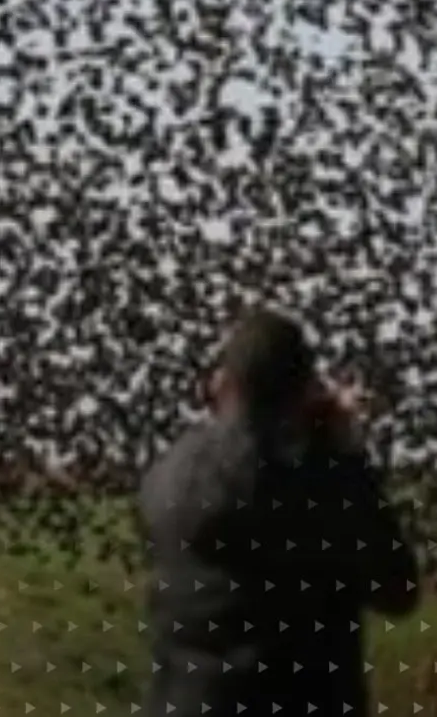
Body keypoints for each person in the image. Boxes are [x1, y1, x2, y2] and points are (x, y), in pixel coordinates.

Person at [140, 307, 422, 717]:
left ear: (221, 384)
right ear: (305, 392)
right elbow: (398, 590)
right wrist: (346, 454)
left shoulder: (166, 476)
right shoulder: (318, 487)